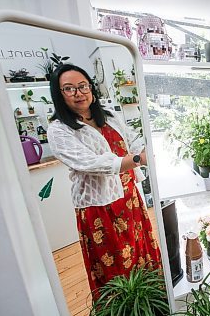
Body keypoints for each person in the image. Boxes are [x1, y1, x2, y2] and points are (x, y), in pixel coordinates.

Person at [47, 64, 161, 296]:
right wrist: (139, 158)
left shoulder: (109, 117)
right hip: (99, 208)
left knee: (141, 253)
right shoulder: (59, 130)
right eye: (69, 89)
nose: (79, 93)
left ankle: (153, 304)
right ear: (59, 95)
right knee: (114, 265)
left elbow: (133, 140)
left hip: (129, 198)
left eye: (83, 86)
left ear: (91, 88)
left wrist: (145, 148)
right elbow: (90, 164)